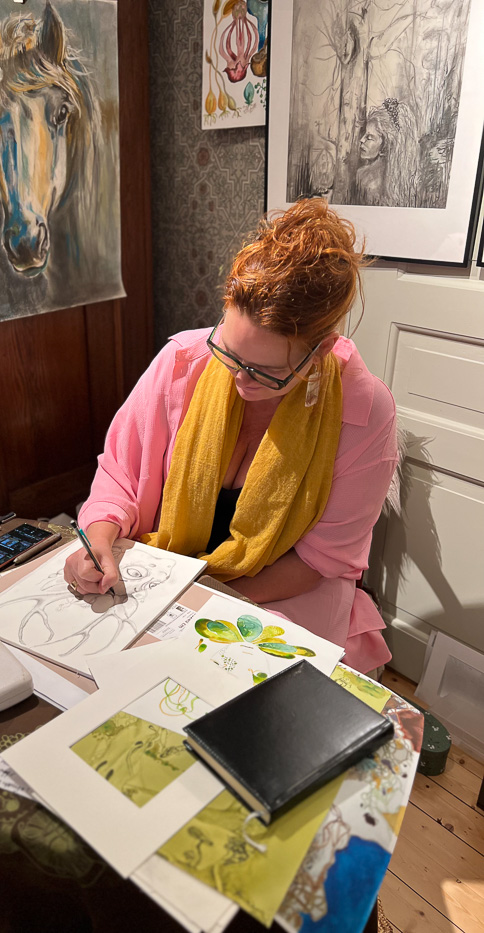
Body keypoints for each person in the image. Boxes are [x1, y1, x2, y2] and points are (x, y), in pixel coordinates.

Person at [64, 198, 397, 674]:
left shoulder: (364, 412)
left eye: (267, 372)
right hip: (173, 570)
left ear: (320, 350)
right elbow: (119, 475)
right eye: (229, 352)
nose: (240, 380)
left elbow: (320, 561)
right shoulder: (183, 361)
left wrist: (205, 601)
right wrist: (97, 543)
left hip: (285, 588)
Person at [355, 98, 419, 207]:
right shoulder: (361, 176)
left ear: (385, 147)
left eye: (369, 137)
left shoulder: (409, 182)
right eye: (364, 135)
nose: (361, 140)